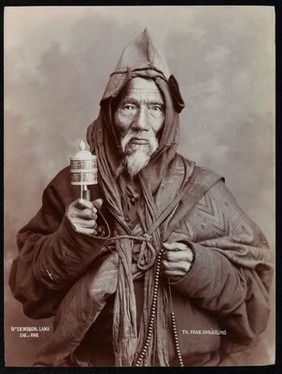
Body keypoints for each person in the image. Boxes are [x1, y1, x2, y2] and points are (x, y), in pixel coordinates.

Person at [9, 29, 273, 367]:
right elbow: (29, 291)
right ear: (110, 113)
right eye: (129, 106)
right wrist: (70, 239)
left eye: (155, 108)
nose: (141, 123)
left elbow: (255, 308)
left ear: (169, 119)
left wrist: (199, 267)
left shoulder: (205, 191)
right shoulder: (74, 187)